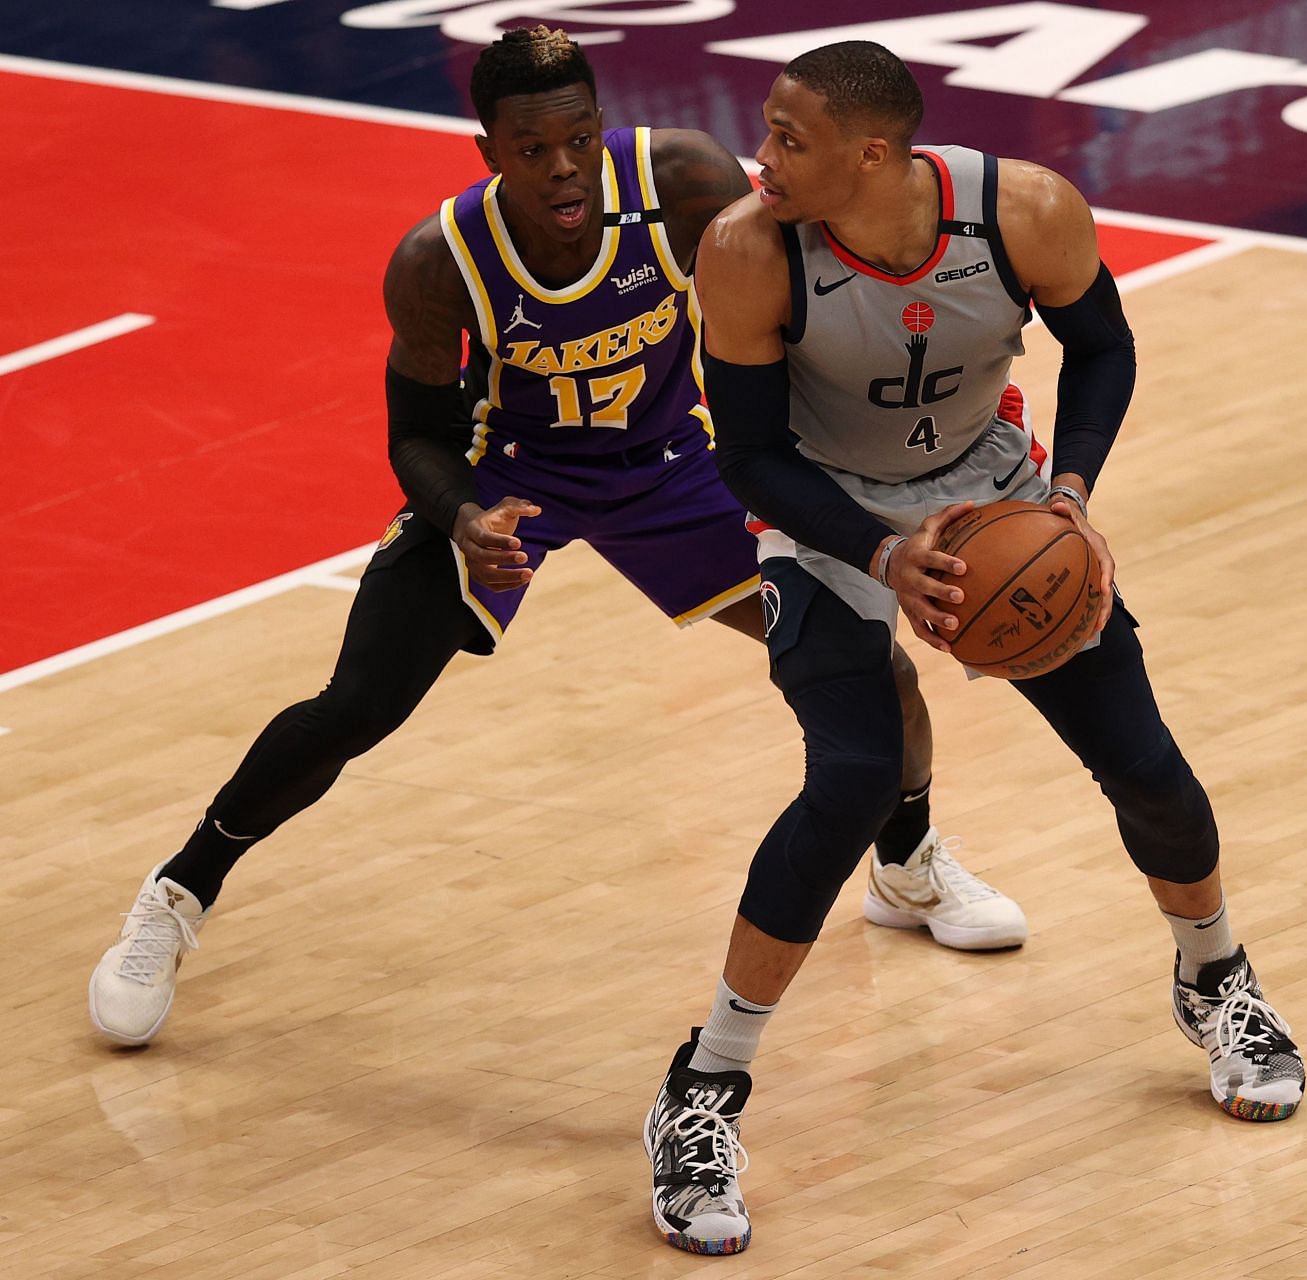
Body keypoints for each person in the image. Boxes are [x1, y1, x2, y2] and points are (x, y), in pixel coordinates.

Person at [86, 26, 1027, 1050]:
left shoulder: (680, 180)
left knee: (874, 668)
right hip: (512, 486)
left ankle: (907, 860)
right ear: (489, 149)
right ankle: (177, 892)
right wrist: (461, 516)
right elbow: (415, 434)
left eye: (578, 138)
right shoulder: (438, 262)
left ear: (601, 124)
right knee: (356, 704)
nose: (564, 166)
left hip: (678, 470)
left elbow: (801, 295)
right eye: (532, 149)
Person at [637, 41, 1306, 1257]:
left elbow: (1104, 347)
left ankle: (1217, 980)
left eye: (791, 138)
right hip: (829, 520)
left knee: (1144, 762)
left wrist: (1073, 497)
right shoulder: (745, 248)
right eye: (768, 132)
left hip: (999, 500)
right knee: (850, 777)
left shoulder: (1024, 211)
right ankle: (703, 1086)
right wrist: (886, 552)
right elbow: (750, 457)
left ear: (876, 153)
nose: (762, 157)